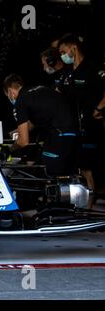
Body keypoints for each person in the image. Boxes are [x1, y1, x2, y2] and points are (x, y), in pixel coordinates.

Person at [56, 34, 105, 206]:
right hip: (73, 127)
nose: (62, 55)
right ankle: (81, 207)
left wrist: (99, 109)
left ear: (73, 48)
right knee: (78, 168)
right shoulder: (68, 73)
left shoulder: (92, 69)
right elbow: (57, 93)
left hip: (92, 127)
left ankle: (89, 211)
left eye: (63, 51)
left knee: (87, 169)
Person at [3, 74, 79, 176]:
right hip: (76, 131)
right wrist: (12, 133)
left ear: (10, 91)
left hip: (60, 134)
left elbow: (23, 141)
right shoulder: (41, 89)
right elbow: (37, 120)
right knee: (71, 173)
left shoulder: (21, 101)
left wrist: (8, 149)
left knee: (46, 173)